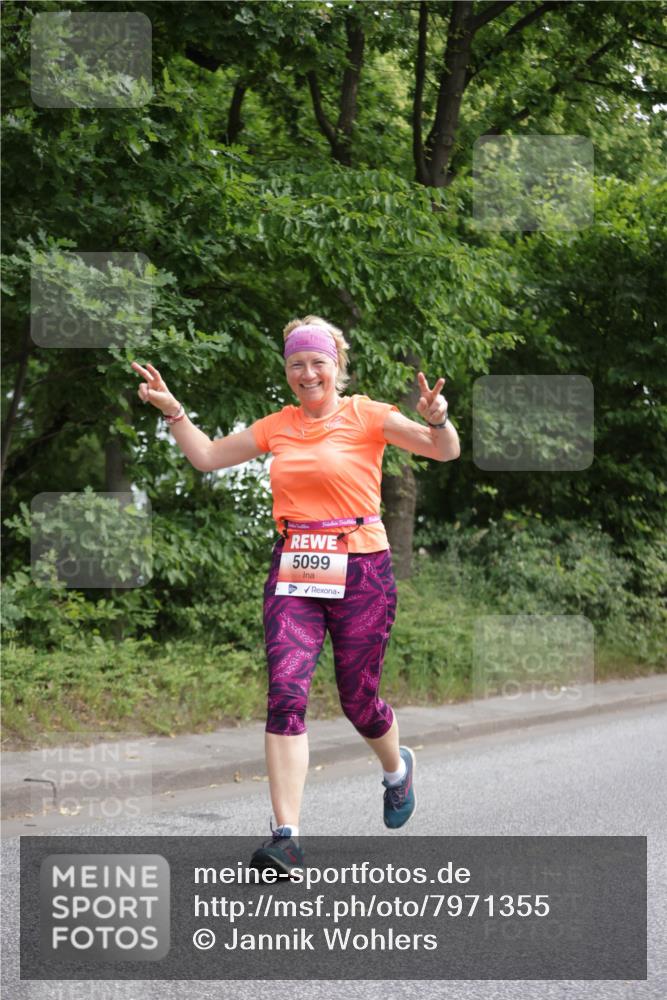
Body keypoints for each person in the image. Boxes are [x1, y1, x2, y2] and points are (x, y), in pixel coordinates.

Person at [131, 315, 460, 874]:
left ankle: (396, 769)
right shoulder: (277, 425)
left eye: (317, 363)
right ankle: (286, 834)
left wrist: (439, 419)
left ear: (337, 366)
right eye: (296, 365)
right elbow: (208, 456)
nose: (307, 374)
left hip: (362, 569)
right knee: (286, 693)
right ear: (288, 371)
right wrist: (173, 412)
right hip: (295, 568)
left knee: (359, 700)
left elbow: (443, 451)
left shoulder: (368, 415)